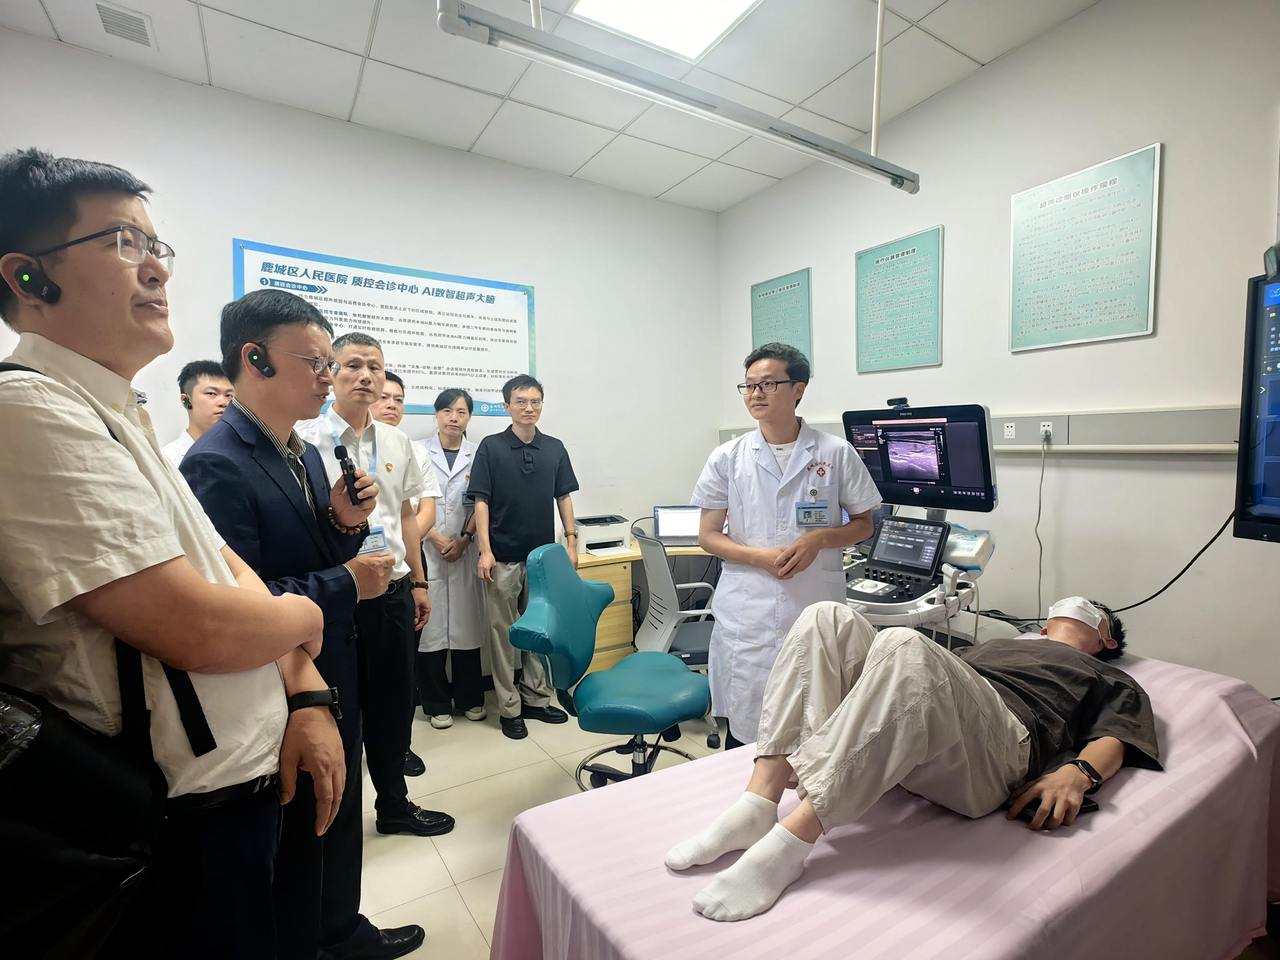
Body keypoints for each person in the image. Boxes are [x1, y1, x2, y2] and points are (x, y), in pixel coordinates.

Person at [0, 148, 340, 959]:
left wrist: (304, 690)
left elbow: (225, 569)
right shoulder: (29, 408)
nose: (155, 268)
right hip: (161, 823)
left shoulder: (115, 412)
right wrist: (307, 614)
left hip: (236, 791)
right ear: (27, 277)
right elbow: (192, 624)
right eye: (123, 243)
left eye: (158, 247)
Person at [182, 290, 424, 960]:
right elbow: (240, 601)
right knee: (303, 830)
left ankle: (340, 929)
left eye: (330, 363)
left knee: (337, 810)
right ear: (255, 359)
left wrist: (343, 521)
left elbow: (313, 553)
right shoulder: (217, 462)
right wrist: (348, 580)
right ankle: (316, 941)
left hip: (332, 659)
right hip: (282, 683)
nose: (329, 377)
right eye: (315, 363)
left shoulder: (303, 453)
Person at [665, 597, 1161, 922]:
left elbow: (1117, 736)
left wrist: (1079, 773)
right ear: (1045, 623)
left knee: (905, 644)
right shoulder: (1001, 644)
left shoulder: (1109, 675)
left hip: (998, 749)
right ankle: (758, 802)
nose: (1075, 603)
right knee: (826, 616)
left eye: (1092, 607)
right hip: (925, 725)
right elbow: (912, 681)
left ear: (1107, 639)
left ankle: (792, 840)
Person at [298, 334, 454, 838]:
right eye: (353, 365)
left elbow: (406, 515)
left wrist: (420, 582)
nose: (366, 376)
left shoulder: (396, 441)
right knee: (340, 711)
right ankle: (334, 823)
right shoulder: (303, 437)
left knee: (393, 704)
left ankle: (394, 806)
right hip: (336, 596)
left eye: (376, 367)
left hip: (392, 593)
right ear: (331, 371)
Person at [692, 342, 881, 749]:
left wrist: (819, 538)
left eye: (768, 384)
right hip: (748, 609)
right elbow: (707, 536)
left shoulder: (835, 453)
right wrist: (756, 557)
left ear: (798, 389)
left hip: (812, 602)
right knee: (747, 732)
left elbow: (864, 524)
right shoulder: (727, 457)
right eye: (748, 385)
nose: (755, 394)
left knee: (814, 725)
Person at [468, 374, 576, 740]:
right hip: (502, 557)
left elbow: (563, 496)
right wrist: (485, 550)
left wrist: (571, 542)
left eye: (535, 401)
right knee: (502, 634)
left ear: (541, 405)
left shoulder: (555, 448)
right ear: (507, 406)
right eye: (521, 401)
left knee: (540, 632)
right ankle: (509, 707)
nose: (529, 408)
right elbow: (481, 501)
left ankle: (536, 698)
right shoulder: (491, 447)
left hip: (542, 559)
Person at [414, 388, 486, 728]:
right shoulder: (417, 451)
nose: (453, 418)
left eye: (461, 412)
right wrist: (435, 536)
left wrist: (464, 540)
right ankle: (435, 703)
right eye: (447, 411)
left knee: (466, 627)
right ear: (437, 414)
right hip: (427, 547)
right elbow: (410, 502)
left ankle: (471, 698)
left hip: (466, 549)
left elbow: (483, 502)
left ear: (469, 417)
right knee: (430, 631)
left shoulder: (479, 453)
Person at [161, 359, 233, 469]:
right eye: (211, 393)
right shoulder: (167, 460)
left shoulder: (243, 453)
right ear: (186, 400)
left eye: (228, 395)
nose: (223, 402)